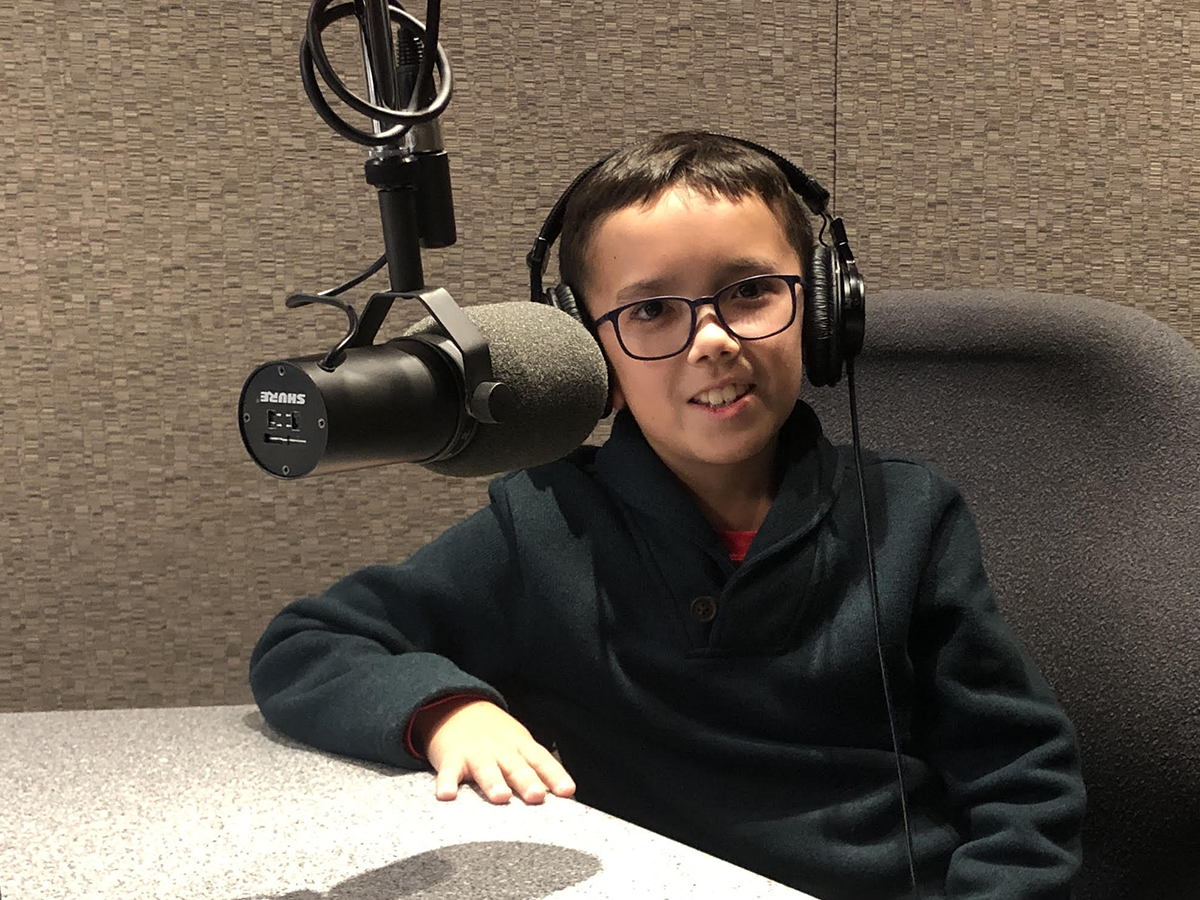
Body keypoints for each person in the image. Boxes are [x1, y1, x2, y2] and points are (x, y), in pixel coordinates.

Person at [249, 132, 1086, 900]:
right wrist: (445, 710)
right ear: (587, 353)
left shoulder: (909, 517)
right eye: (650, 311)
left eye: (751, 291)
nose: (711, 338)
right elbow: (307, 645)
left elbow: (1019, 775)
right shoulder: (543, 520)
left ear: (826, 309)